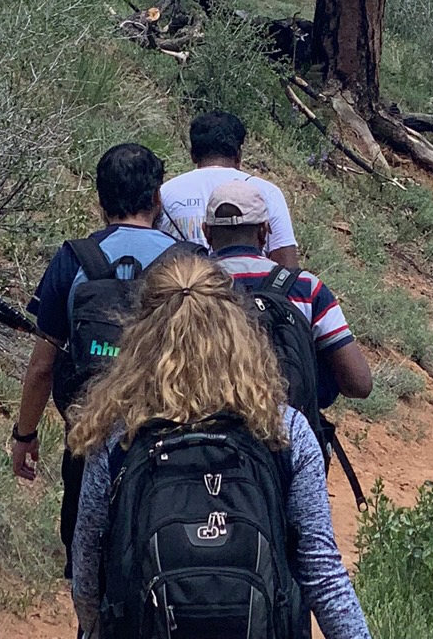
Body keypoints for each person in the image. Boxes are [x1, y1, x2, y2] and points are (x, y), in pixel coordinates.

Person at [68, 249, 372, 639]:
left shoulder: (118, 434)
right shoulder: (283, 430)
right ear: (237, 331)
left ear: (141, 334)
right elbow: (322, 574)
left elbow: (87, 572)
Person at [10, 142, 186, 571]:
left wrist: (24, 434)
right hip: (172, 440)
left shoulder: (73, 259)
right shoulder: (189, 264)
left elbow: (42, 366)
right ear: (157, 197)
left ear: (100, 200)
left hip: (89, 436)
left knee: (86, 566)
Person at [202, 178, 372, 408]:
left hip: (208, 421)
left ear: (207, 232)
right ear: (264, 231)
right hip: (287, 423)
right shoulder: (306, 288)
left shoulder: (189, 286)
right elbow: (359, 384)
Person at [161, 109, 300, 267]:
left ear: (193, 154)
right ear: (239, 154)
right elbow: (287, 264)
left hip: (183, 281)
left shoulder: (165, 192)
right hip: (251, 281)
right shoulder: (266, 192)